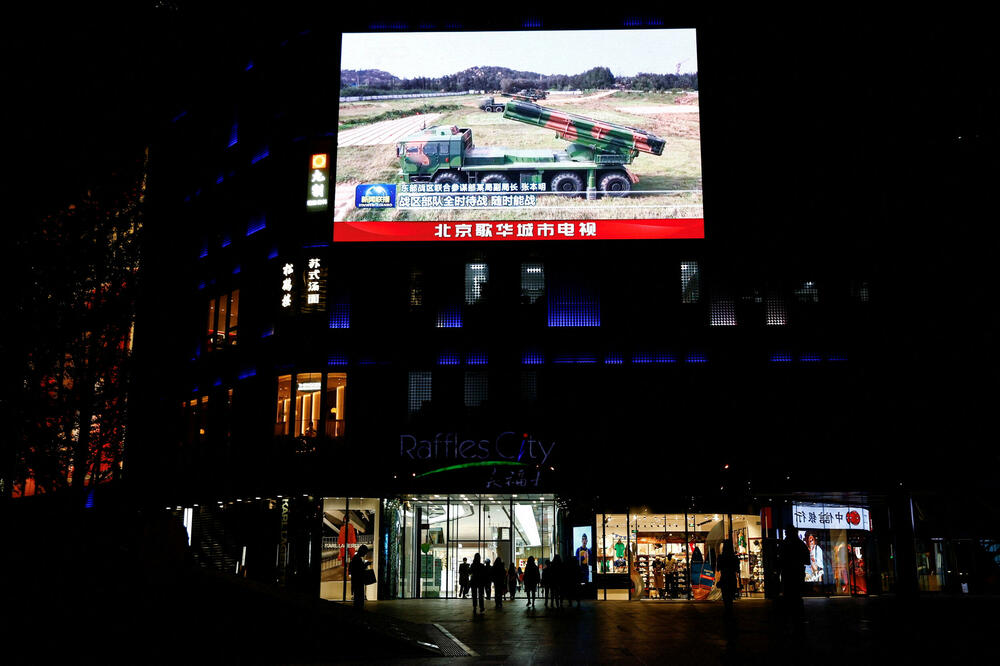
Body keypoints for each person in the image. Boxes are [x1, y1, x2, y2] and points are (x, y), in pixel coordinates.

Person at [781, 530, 810, 612]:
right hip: (797, 571)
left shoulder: (785, 543)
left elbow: (780, 557)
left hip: (789, 571)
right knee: (797, 594)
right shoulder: (800, 544)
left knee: (789, 593)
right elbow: (806, 559)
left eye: (787, 532)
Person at [717, 539, 739, 612]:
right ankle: (730, 610)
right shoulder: (734, 557)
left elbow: (718, 568)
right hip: (732, 578)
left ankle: (727, 610)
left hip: (724, 578)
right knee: (730, 596)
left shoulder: (721, 557)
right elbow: (737, 569)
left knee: (725, 596)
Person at [349, 544, 370, 610]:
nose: (365, 554)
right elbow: (359, 570)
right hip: (358, 582)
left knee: (357, 598)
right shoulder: (357, 559)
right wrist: (366, 565)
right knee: (359, 598)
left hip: (356, 581)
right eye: (365, 553)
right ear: (362, 551)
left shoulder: (355, 558)